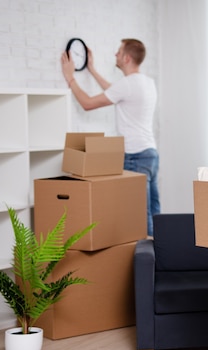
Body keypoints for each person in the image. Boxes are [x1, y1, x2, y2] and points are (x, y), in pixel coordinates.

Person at [61, 38, 159, 236]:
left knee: (139, 215)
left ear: (126, 57)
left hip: (134, 156)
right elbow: (113, 91)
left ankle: (150, 263)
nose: (115, 54)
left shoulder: (127, 85)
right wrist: (92, 69)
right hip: (150, 154)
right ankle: (163, 257)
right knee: (154, 212)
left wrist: (70, 78)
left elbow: (87, 103)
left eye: (118, 51)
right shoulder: (146, 83)